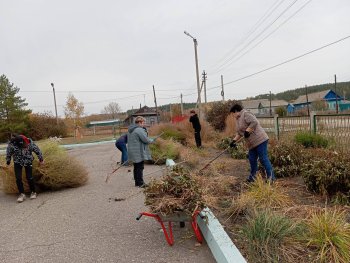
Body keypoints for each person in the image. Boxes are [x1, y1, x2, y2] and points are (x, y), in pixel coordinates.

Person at [229, 104, 275, 183]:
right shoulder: (238, 120)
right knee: (252, 159)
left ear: (236, 111)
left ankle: (271, 178)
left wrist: (248, 130)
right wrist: (233, 141)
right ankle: (253, 177)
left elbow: (254, 122)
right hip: (251, 144)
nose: (232, 116)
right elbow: (239, 133)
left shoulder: (246, 114)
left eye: (232, 113)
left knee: (263, 158)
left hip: (260, 140)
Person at [6, 134, 44, 202]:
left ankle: (33, 192)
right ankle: (22, 194)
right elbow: (9, 153)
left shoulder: (29, 142)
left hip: (28, 160)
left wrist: (41, 160)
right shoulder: (12, 144)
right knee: (18, 178)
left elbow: (37, 151)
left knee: (29, 177)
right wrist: (8, 162)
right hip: (17, 161)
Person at [127, 116, 154, 188]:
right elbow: (146, 140)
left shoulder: (130, 130)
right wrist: (151, 140)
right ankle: (141, 183)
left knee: (136, 167)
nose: (144, 124)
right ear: (139, 122)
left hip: (132, 151)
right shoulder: (139, 130)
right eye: (143, 122)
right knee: (140, 167)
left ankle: (137, 182)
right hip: (138, 151)